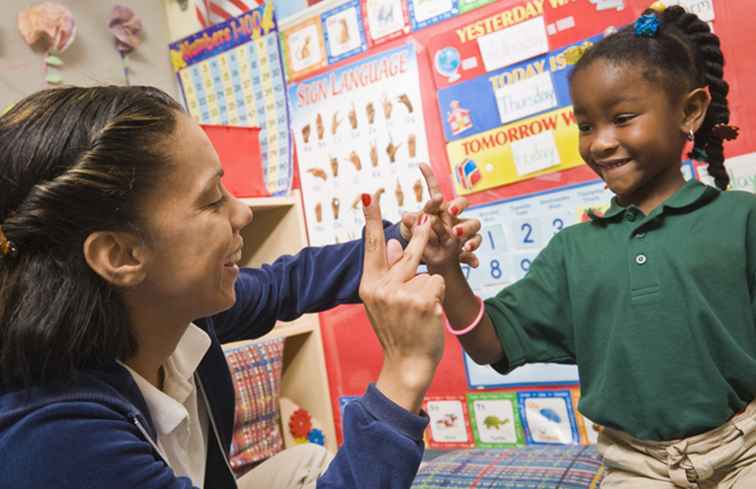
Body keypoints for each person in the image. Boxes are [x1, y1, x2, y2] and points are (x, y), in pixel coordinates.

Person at [0, 85, 481, 489]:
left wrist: (407, 240)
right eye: (212, 200)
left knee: (304, 465)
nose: (244, 213)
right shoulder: (58, 440)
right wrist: (404, 371)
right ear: (120, 256)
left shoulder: (170, 317)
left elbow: (285, 284)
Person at [430, 5, 756, 488]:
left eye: (622, 118)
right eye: (585, 126)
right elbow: (489, 344)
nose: (599, 143)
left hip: (745, 449)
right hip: (636, 466)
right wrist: (446, 270)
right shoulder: (573, 251)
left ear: (690, 111)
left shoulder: (740, 219)